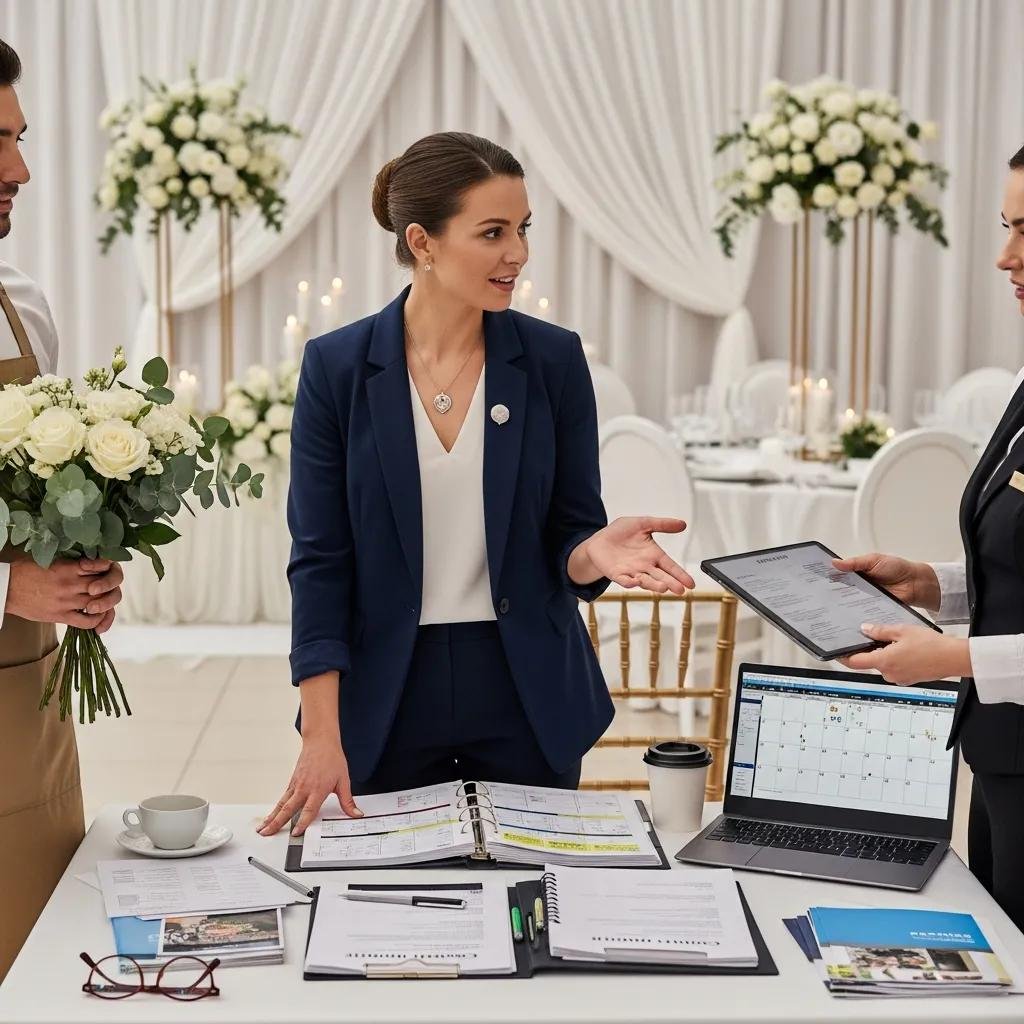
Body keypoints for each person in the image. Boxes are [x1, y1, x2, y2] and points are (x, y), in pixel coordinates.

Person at [260, 132, 695, 838]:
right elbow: (319, 561)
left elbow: (570, 531)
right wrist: (321, 731)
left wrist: (594, 552)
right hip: (387, 694)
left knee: (535, 891)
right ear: (422, 242)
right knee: (393, 897)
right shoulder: (337, 369)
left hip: (526, 689)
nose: (517, 252)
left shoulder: (552, 360)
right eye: (493, 232)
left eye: (523, 229)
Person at [833, 142, 1024, 933]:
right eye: (1007, 227)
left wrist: (952, 658)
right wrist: (930, 584)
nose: (1004, 257)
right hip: (1002, 754)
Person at [0, 38, 125, 980]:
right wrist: (8, 584)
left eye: (20, 139)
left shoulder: (24, 305)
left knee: (37, 946)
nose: (20, 171)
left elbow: (45, 485)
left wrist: (84, 559)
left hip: (25, 695)